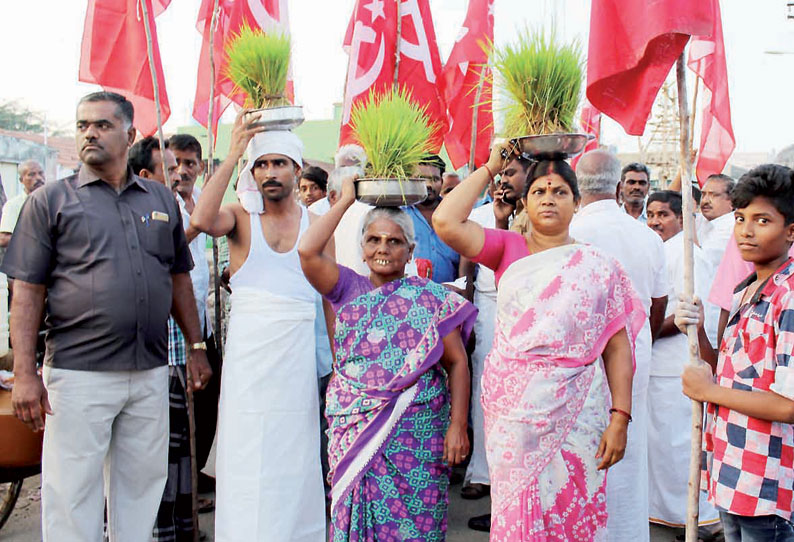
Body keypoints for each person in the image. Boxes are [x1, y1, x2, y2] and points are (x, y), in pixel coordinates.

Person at [4, 91, 211, 542]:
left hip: (150, 371)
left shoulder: (159, 199)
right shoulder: (50, 202)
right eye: (82, 126)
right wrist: (24, 373)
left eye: (101, 125)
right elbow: (27, 291)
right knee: (72, 493)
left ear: (130, 134)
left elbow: (177, 276)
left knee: (141, 489)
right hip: (79, 375)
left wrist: (196, 347)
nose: (90, 133)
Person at [433, 144, 644, 541]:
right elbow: (445, 221)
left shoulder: (598, 264)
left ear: (577, 202)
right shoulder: (507, 248)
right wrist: (491, 166)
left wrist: (620, 418)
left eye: (560, 191)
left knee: (572, 509)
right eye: (539, 192)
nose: (549, 200)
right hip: (515, 414)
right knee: (517, 512)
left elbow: (618, 346)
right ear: (524, 203)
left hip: (579, 411)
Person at [297, 174, 476, 541]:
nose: (383, 248)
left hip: (418, 432)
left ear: (411, 251)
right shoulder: (346, 287)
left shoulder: (430, 299)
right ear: (361, 247)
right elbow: (307, 251)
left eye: (395, 241)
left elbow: (457, 362)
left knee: (419, 522)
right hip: (356, 425)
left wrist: (458, 425)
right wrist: (346, 200)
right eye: (374, 239)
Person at [190, 110, 325, 541]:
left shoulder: (317, 225)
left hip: (298, 368)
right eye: (261, 164)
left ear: (297, 169)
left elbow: (330, 301)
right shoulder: (239, 217)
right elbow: (199, 221)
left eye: (278, 163)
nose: (270, 172)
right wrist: (232, 154)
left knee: (295, 461)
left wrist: (340, 366)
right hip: (249, 372)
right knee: (247, 460)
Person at [675, 164, 794, 542]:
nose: (745, 230)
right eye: (741, 217)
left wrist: (706, 392)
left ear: (791, 231)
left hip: (768, 483)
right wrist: (697, 332)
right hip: (731, 470)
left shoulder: (789, 298)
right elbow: (726, 372)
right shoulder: (746, 288)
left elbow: (787, 405)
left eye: (762, 220)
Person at [570, 150, 669, 542]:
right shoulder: (646, 237)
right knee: (628, 443)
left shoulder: (567, 232)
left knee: (577, 446)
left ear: (576, 188)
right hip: (635, 348)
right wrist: (642, 339)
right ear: (617, 187)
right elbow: (658, 303)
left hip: (577, 357)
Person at [127, 137, 200, 541]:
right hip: (148, 359)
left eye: (182, 167)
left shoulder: (172, 210)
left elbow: (183, 280)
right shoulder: (137, 218)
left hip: (176, 353)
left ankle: (174, 533)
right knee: (148, 462)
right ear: (144, 177)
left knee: (175, 461)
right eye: (168, 169)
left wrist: (197, 347)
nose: (178, 176)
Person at [460, 153, 531, 533]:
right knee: (489, 399)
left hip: (532, 323)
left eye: (511, 172)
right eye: (499, 172)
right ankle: (486, 478)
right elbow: (471, 261)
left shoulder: (542, 215)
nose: (503, 179)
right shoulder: (490, 215)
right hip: (491, 307)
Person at [644, 191, 720, 532]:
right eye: (651, 214)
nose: (656, 221)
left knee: (681, 444)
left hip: (680, 364)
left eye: (663, 215)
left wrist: (651, 329)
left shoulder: (689, 255)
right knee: (660, 444)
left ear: (680, 218)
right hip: (656, 363)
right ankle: (668, 513)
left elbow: (694, 313)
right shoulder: (656, 250)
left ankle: (700, 518)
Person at [169, 133, 223, 498]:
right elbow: (169, 247)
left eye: (190, 163)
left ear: (201, 166)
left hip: (203, 318)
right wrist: (197, 223)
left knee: (208, 400)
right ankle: (179, 488)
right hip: (171, 323)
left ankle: (197, 477)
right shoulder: (161, 200)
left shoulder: (204, 199)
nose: (183, 171)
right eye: (176, 164)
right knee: (177, 408)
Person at [404, 154, 461, 283]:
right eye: (421, 178)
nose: (429, 184)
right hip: (407, 296)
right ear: (410, 179)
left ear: (442, 181)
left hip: (448, 298)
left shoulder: (455, 215)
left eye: (434, 179)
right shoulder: (399, 214)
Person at [0, 159, 45, 247]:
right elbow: (3, 239)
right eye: (31, 175)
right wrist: (37, 237)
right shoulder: (13, 205)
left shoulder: (53, 201)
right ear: (21, 180)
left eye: (41, 173)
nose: (39, 178)